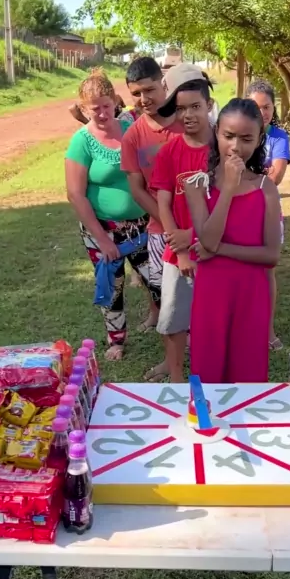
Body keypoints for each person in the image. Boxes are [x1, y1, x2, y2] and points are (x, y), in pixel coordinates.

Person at [64, 69, 160, 361]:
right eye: (95, 109)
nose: (103, 114)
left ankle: (179, 328)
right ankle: (116, 341)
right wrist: (102, 240)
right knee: (113, 286)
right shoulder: (81, 141)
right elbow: (76, 194)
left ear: (115, 101)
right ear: (84, 109)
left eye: (106, 106)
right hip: (102, 230)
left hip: (141, 226)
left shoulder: (131, 127)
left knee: (159, 279)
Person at [185, 98, 281, 383]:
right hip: (211, 296)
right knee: (208, 374)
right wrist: (227, 188)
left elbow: (271, 255)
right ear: (216, 132)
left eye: (246, 139)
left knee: (247, 376)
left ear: (259, 140)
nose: (236, 146)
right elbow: (208, 239)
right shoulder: (197, 185)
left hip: (251, 296)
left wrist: (219, 250)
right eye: (228, 136)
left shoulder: (265, 189)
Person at [121, 56, 184, 380]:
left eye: (149, 90)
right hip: (161, 232)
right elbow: (137, 189)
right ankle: (171, 364)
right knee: (167, 299)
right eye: (136, 93)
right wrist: (169, 221)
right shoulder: (133, 136)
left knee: (204, 298)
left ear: (163, 85)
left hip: (201, 227)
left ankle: (205, 356)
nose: (144, 98)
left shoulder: (188, 121)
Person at [151, 64, 213, 382]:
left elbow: (227, 204)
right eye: (181, 109)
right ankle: (176, 378)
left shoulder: (222, 149)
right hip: (179, 255)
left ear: (209, 106)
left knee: (211, 321)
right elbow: (163, 204)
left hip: (215, 249)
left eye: (195, 107)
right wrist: (182, 249)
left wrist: (195, 236)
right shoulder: (169, 152)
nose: (187, 115)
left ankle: (210, 377)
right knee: (173, 319)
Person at [246, 79, 290, 351]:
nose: (262, 112)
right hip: (238, 212)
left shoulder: (279, 138)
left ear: (274, 109)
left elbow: (276, 177)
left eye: (267, 107)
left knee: (266, 273)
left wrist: (246, 180)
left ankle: (268, 330)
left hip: (267, 213)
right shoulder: (235, 133)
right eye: (256, 106)